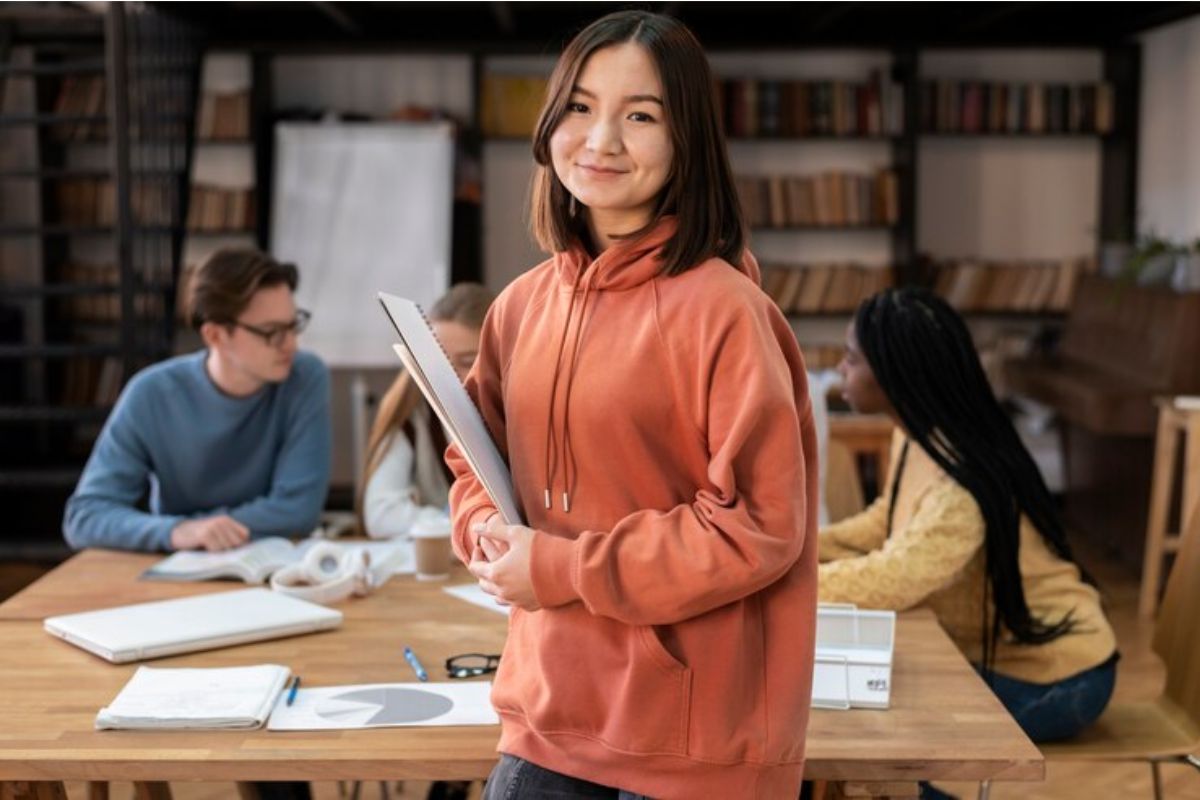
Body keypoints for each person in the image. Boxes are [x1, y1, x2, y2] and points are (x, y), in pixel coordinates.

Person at [447, 11, 819, 800]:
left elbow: (758, 526)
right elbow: (474, 458)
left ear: (688, 140)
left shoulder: (726, 310)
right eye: (580, 107)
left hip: (692, 738)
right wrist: (482, 528)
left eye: (640, 115)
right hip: (548, 709)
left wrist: (557, 567)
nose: (601, 139)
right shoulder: (518, 307)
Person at [820, 287, 1118, 750]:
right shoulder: (921, 437)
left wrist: (785, 583)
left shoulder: (961, 484)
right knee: (868, 699)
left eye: (852, 359)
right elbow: (887, 524)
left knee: (879, 715)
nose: (841, 369)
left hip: (1058, 677)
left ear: (896, 374)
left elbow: (895, 579)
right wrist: (796, 548)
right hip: (1011, 658)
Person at [63, 248, 332, 553]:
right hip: (177, 571)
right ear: (215, 336)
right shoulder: (151, 394)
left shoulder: (305, 377)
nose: (291, 344)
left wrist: (204, 529)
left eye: (293, 325)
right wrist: (177, 531)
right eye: (272, 332)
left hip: (271, 568)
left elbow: (298, 510)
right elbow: (85, 517)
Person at [358, 283, 495, 539]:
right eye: (438, 360)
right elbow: (380, 514)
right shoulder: (410, 412)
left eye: (467, 362)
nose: (449, 376)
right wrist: (456, 523)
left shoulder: (521, 415)